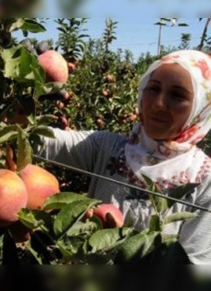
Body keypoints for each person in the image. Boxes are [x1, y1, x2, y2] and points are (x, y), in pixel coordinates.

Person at [35, 49, 211, 265]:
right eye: (153, 88)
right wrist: (25, 84)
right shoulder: (107, 147)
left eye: (178, 95)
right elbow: (39, 142)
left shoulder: (203, 180)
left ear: (201, 108)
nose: (157, 104)